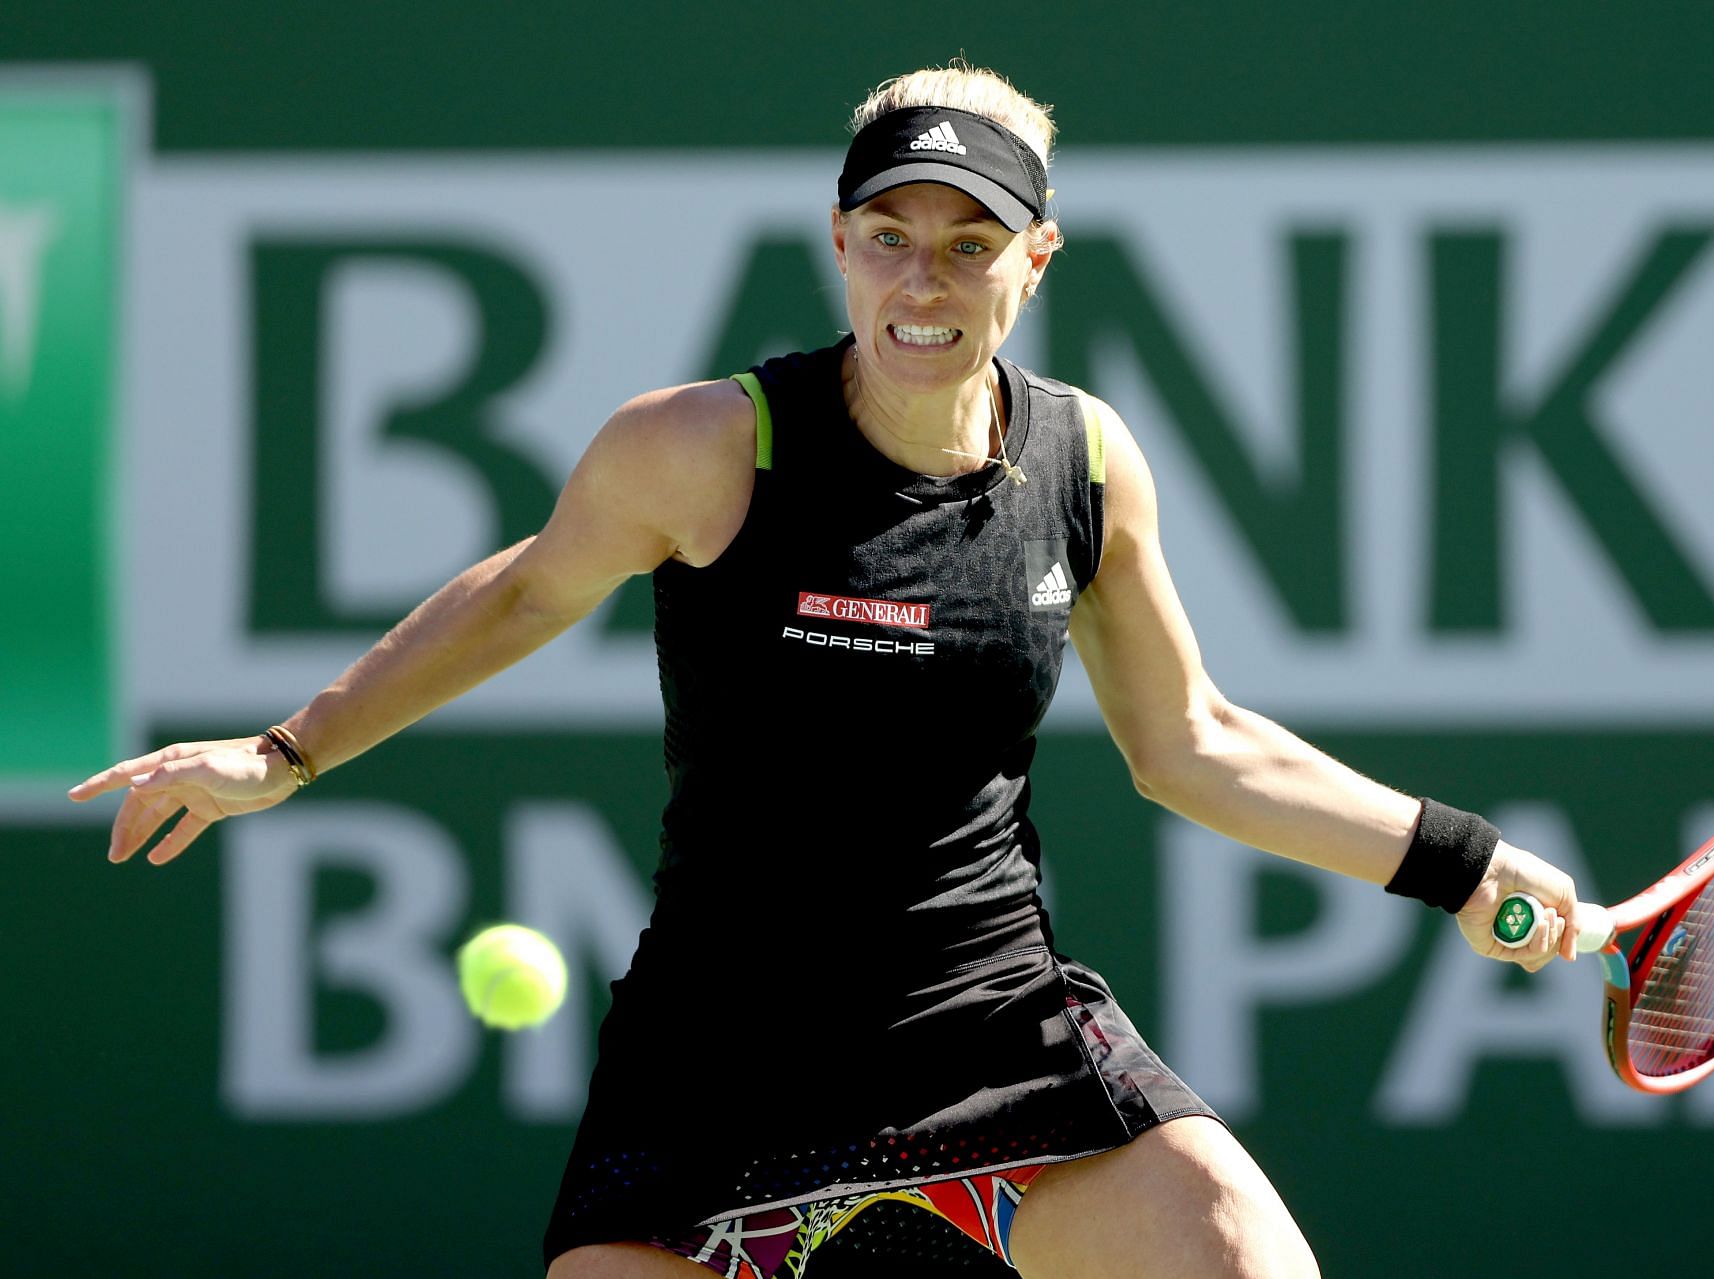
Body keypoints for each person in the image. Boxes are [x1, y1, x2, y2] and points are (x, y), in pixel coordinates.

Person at [70, 63, 1581, 1279]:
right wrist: (283, 755)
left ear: (1034, 262)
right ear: (840, 243)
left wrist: (1460, 865)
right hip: (723, 1046)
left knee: (1242, 1255)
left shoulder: (1086, 461)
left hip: (989, 1015)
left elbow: (1194, 742)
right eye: (890, 238)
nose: (925, 280)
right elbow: (526, 593)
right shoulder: (704, 448)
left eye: (972, 243)